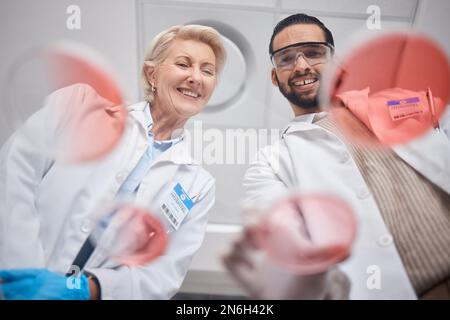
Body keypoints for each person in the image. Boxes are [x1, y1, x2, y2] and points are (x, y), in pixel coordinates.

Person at [223, 13, 450, 299]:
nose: (301, 66)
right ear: (274, 76)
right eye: (286, 59)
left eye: (314, 53)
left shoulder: (401, 100)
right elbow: (284, 241)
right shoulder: (269, 164)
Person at [0, 24, 226, 300]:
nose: (196, 77)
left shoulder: (197, 185)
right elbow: (13, 177)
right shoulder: (79, 106)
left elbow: (162, 275)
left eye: (207, 70)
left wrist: (84, 289)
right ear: (151, 74)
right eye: (183, 64)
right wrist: (24, 272)